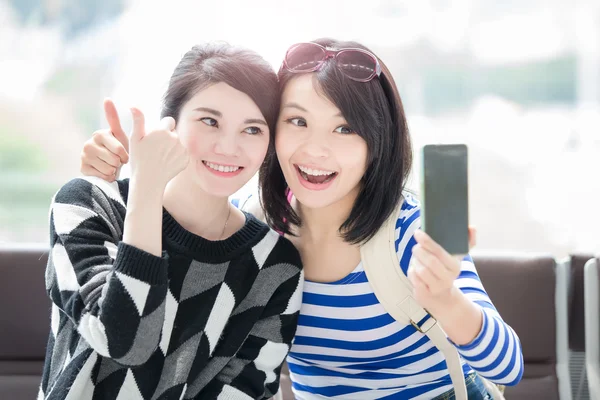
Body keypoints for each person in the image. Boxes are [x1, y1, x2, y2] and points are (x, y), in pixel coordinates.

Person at [80, 38, 523, 399]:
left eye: (345, 128)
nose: (316, 149)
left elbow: (509, 365)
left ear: (378, 143)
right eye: (297, 121)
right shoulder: (257, 228)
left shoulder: (409, 233)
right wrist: (119, 174)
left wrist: (447, 301)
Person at [40, 42, 303, 400]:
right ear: (171, 123)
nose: (228, 147)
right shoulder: (87, 204)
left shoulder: (275, 265)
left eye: (252, 129)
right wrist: (146, 185)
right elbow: (124, 339)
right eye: (209, 121)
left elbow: (247, 389)